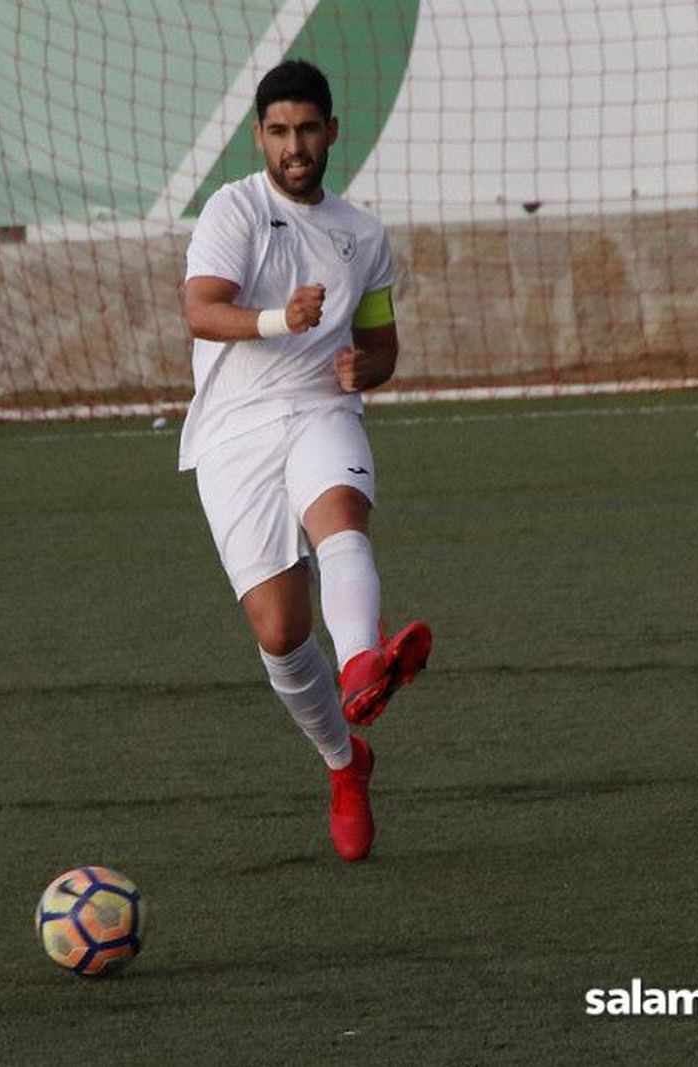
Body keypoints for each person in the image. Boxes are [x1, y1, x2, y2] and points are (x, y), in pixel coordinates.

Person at [178, 59, 431, 862]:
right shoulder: (233, 208)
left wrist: (371, 369)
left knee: (340, 518)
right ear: (260, 136)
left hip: (323, 408)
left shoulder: (363, 234)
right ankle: (344, 763)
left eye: (308, 129)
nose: (295, 146)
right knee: (281, 629)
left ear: (331, 131)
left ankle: (363, 659)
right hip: (235, 427)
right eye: (279, 132)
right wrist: (278, 321)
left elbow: (383, 342)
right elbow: (200, 309)